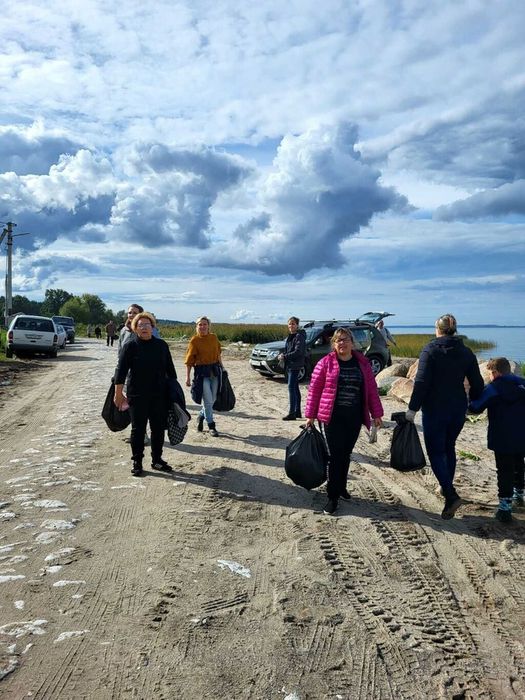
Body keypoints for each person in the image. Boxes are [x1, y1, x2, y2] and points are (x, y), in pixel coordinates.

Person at [406, 313, 484, 520]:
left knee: (436, 451)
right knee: (448, 446)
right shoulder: (466, 352)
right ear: (455, 330)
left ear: (437, 330)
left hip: (435, 408)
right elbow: (477, 383)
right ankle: (445, 486)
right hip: (457, 407)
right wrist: (474, 405)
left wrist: (412, 410)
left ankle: (450, 495)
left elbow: (421, 383)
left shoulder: (430, 350)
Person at [305, 327, 384, 515]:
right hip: (331, 418)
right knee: (335, 457)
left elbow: (371, 390)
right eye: (338, 340)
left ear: (352, 342)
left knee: (346, 454)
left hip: (354, 417)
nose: (342, 343)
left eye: (346, 339)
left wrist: (377, 414)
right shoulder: (325, 363)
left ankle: (341, 487)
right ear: (334, 344)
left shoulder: (362, 364)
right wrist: (310, 415)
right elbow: (314, 390)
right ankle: (332, 497)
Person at [114, 312, 176, 477]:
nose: (144, 328)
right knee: (138, 430)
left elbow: (171, 373)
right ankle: (137, 461)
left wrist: (175, 395)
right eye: (140, 325)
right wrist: (118, 393)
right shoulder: (130, 346)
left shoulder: (162, 346)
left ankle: (157, 459)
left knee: (158, 430)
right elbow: (120, 372)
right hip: (137, 396)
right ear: (135, 328)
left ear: (153, 327)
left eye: (147, 325)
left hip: (159, 396)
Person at [468, 357, 525, 523]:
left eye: (490, 373)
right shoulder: (522, 383)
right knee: (519, 463)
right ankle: (519, 495)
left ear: (495, 372)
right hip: (522, 434)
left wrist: (470, 397)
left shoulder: (494, 388)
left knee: (504, 470)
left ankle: (505, 509)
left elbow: (475, 408)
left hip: (502, 436)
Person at [185, 316, 222, 437]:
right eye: (200, 325)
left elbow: (218, 354)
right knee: (208, 400)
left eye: (204, 324)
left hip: (215, 371)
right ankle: (211, 425)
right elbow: (189, 360)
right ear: (197, 327)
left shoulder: (214, 337)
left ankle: (201, 416)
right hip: (202, 373)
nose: (202, 327)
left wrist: (223, 368)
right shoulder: (194, 341)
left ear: (208, 326)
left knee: (213, 399)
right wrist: (188, 377)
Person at [278, 316, 306, 420]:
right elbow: (290, 349)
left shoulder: (299, 336)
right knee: (295, 388)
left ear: (297, 325)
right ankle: (297, 411)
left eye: (293, 324)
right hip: (291, 364)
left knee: (291, 387)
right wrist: (283, 355)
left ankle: (292, 413)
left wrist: (285, 356)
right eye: (289, 324)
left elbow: (298, 351)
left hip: (295, 365)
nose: (291, 326)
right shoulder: (292, 336)